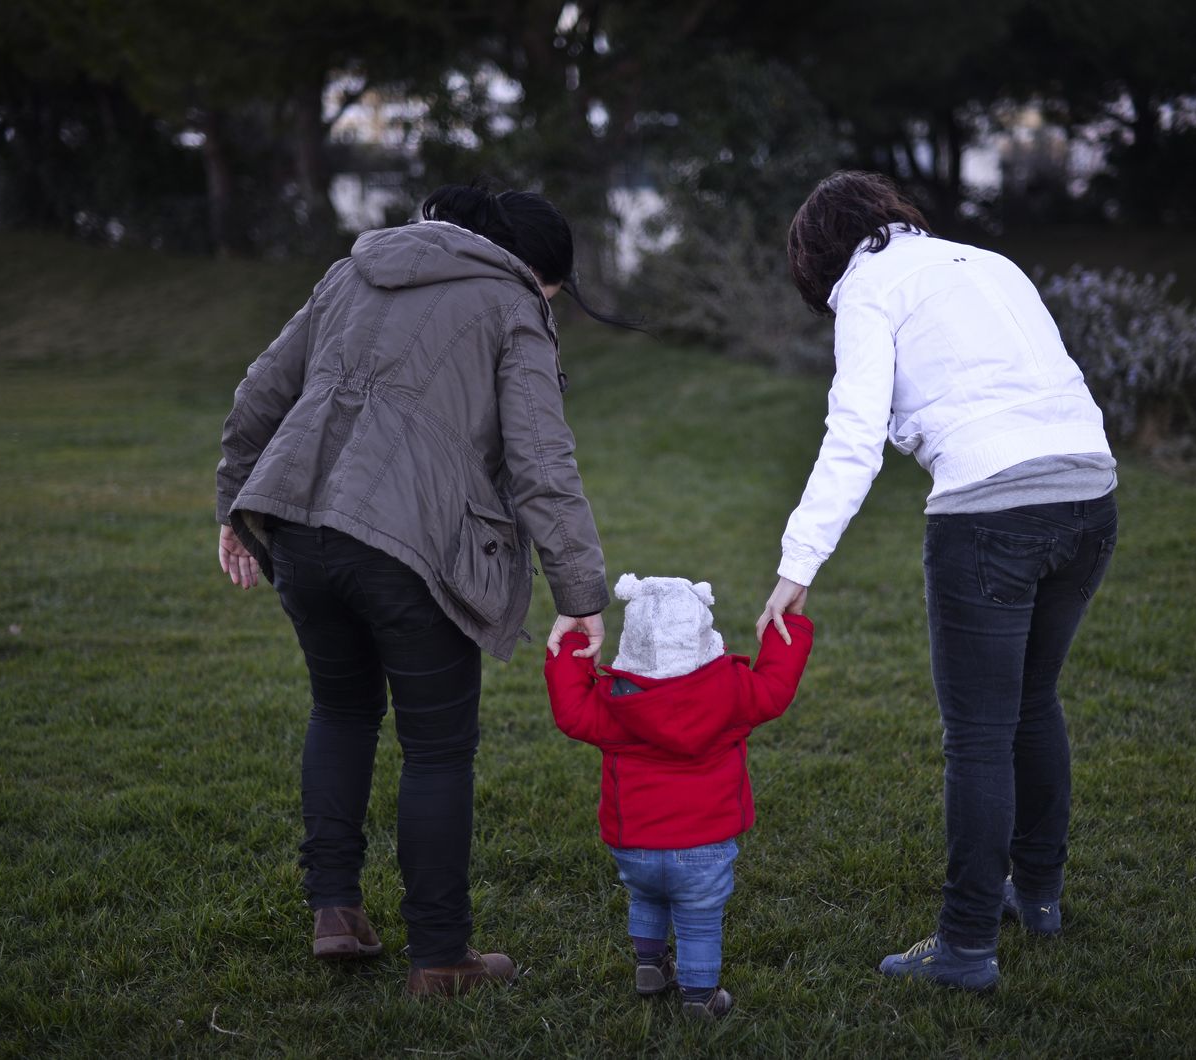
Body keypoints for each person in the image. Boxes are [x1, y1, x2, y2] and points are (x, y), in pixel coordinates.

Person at [215, 184, 619, 997]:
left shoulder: (351, 271)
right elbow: (542, 461)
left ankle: (335, 911)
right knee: (437, 750)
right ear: (534, 271)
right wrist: (581, 593)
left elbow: (261, 389)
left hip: (300, 529)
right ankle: (441, 958)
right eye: (554, 295)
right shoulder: (511, 303)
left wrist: (234, 505)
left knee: (341, 711)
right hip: (409, 548)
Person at [756, 171, 1119, 992]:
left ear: (820, 256)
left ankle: (963, 949)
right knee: (1034, 700)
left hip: (990, 512)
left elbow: (853, 436)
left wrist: (796, 567)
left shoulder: (866, 290)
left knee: (982, 734)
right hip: (1092, 495)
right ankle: (1040, 898)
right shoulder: (987, 261)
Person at [546, 573, 814, 1020]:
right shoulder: (733, 691)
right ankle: (700, 994)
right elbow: (776, 687)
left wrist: (575, 647)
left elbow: (570, 712)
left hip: (634, 846)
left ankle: (650, 965)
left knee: (647, 898)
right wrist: (789, 627)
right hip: (705, 846)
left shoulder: (612, 702)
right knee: (698, 918)